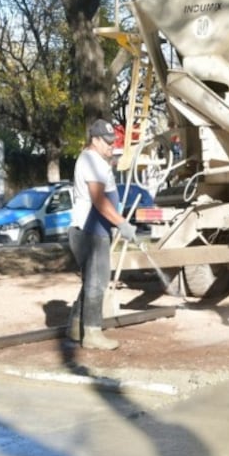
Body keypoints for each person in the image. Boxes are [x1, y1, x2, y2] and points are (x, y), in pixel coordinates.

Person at [67, 119, 137, 350]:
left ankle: (76, 326)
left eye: (113, 142)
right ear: (95, 140)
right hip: (91, 231)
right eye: (107, 142)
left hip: (91, 229)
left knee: (90, 280)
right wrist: (122, 223)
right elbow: (99, 200)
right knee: (97, 283)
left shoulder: (94, 159)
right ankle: (93, 334)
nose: (111, 146)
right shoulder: (91, 160)